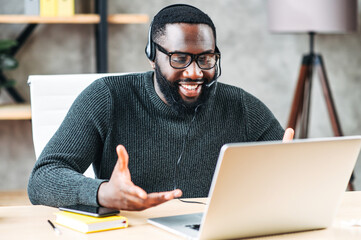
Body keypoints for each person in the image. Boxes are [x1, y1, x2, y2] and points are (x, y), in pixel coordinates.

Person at [28, 4, 294, 211]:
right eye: (180, 58)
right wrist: (103, 192)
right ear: (153, 57)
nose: (195, 72)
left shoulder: (241, 106)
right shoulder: (107, 97)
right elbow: (42, 178)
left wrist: (295, 167)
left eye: (206, 58)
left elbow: (292, 170)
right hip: (134, 232)